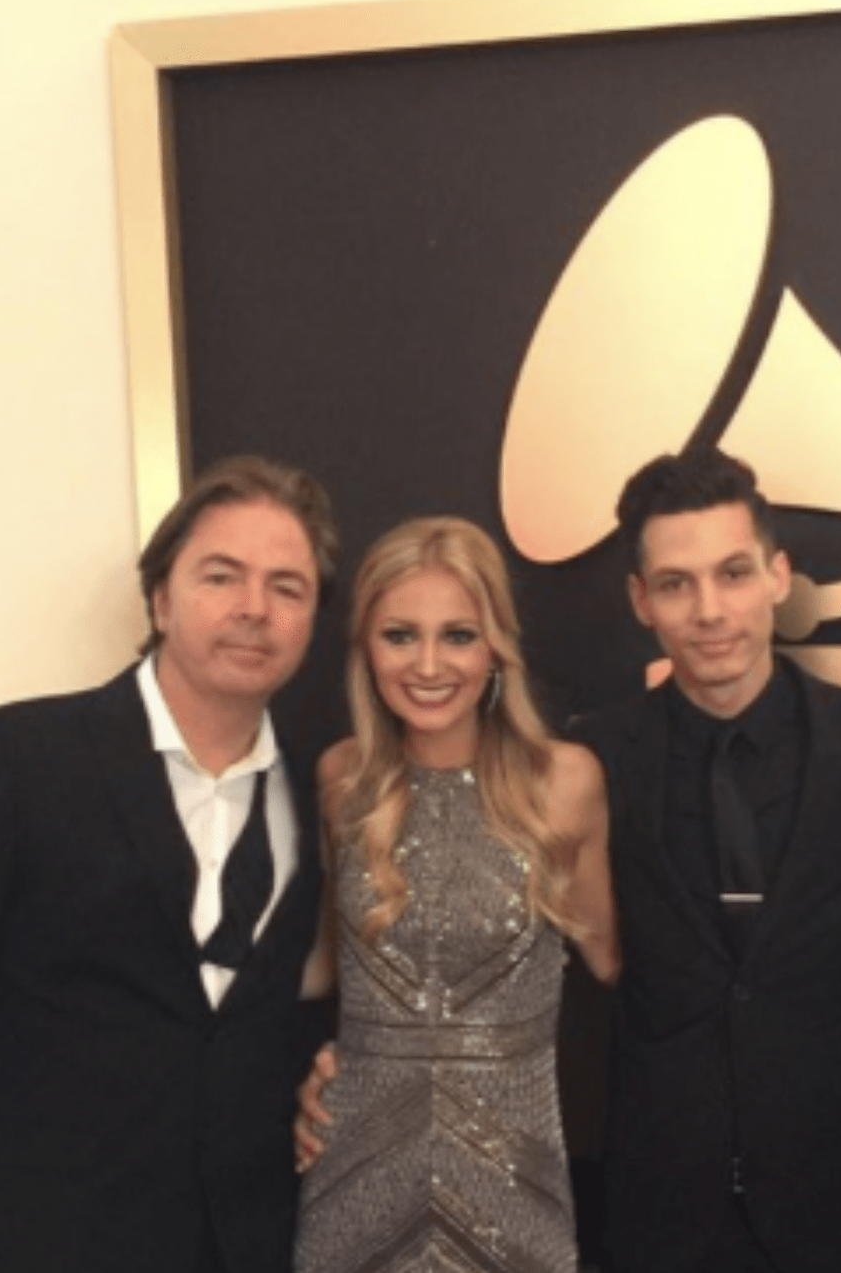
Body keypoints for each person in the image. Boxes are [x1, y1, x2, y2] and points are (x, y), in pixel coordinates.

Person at [0, 454, 339, 1273]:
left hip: (245, 1245)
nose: (255, 609)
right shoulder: (14, 760)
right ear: (160, 598)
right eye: (222, 577)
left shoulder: (322, 789)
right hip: (35, 1241)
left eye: (287, 588)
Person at [577, 450, 841, 1273]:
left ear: (779, 576)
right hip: (657, 1210)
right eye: (676, 583)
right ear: (642, 600)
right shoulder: (584, 763)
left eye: (734, 573)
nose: (710, 610)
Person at [292, 516, 619, 1273]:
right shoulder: (342, 778)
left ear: (497, 645)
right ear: (365, 650)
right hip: (356, 1174)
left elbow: (615, 963)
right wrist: (297, 1075)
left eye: (459, 635)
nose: (429, 664)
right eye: (400, 635)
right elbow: (323, 967)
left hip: (513, 1184)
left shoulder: (564, 782)